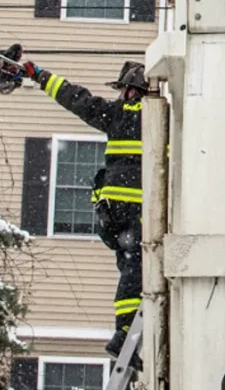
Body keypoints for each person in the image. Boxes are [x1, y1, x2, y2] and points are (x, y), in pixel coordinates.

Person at [21, 60, 146, 371]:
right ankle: (124, 334)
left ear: (128, 90)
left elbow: (75, 98)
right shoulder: (157, 117)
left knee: (129, 266)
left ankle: (128, 334)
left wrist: (41, 76)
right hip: (135, 209)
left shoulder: (113, 115)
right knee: (137, 267)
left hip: (111, 213)